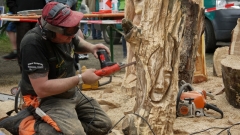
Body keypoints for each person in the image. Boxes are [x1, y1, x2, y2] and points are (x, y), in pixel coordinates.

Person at [0, 2, 112, 135]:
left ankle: (62, 124)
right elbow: (42, 89)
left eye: (74, 29)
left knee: (102, 125)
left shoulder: (66, 34)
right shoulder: (33, 43)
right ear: (50, 32)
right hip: (47, 98)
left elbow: (76, 42)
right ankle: (21, 124)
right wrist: (81, 78)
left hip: (69, 92)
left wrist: (91, 47)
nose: (73, 34)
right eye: (69, 31)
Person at [6, 0, 46, 70]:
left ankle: (39, 65)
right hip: (22, 14)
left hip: (39, 13)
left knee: (39, 40)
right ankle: (23, 67)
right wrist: (15, 10)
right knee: (22, 41)